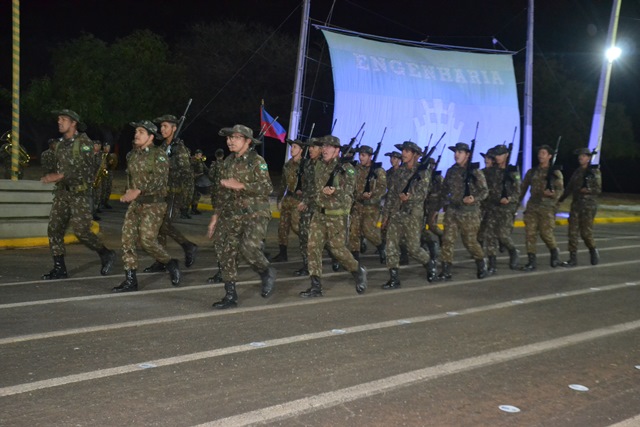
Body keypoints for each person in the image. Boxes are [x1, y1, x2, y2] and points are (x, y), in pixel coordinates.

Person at [40, 109, 116, 279]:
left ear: (73, 123)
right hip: (62, 193)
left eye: (63, 119)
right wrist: (52, 175)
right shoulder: (60, 145)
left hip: (79, 194)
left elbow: (86, 170)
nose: (59, 121)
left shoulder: (84, 143)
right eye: (58, 119)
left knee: (81, 231)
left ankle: (105, 253)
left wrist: (62, 175)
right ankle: (59, 267)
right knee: (54, 228)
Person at [207, 124, 276, 309]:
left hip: (255, 213)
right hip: (232, 213)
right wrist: (216, 216)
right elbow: (223, 193)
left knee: (249, 248)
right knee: (226, 251)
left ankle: (266, 271)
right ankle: (230, 295)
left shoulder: (257, 161)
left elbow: (267, 187)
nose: (230, 141)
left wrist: (242, 185)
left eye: (236, 137)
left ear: (247, 141)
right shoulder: (227, 162)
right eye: (229, 137)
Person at [113, 120, 181, 292]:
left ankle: (170, 262)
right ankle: (130, 280)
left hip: (154, 204)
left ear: (151, 137)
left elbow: (160, 181)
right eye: (136, 131)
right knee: (127, 239)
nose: (136, 134)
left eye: (141, 132)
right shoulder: (132, 155)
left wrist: (139, 190)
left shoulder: (159, 155)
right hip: (136, 204)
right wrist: (129, 191)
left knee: (147, 240)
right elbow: (131, 179)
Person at [300, 135, 367, 298]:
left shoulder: (347, 169)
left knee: (337, 250)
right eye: (323, 146)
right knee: (312, 247)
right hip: (319, 214)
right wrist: (308, 200)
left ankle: (357, 271)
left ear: (337, 150)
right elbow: (315, 189)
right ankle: (316, 286)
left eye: (328, 147)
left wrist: (335, 191)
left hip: (336, 216)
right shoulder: (319, 166)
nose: (324, 149)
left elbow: (349, 195)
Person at [145, 114, 198, 273]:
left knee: (164, 225)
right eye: (161, 126)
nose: (162, 129)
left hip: (174, 193)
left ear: (174, 128)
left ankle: (187, 245)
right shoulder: (162, 147)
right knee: (159, 227)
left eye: (165, 126)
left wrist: (187, 199)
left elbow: (187, 174)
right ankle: (161, 260)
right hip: (161, 193)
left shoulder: (179, 149)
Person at [381, 141, 437, 289]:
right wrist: (386, 215)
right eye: (403, 151)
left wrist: (409, 197)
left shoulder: (423, 172)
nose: (403, 154)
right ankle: (394, 278)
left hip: (413, 214)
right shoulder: (399, 172)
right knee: (391, 245)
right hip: (397, 213)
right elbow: (391, 195)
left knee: (413, 248)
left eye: (407, 151)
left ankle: (429, 264)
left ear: (415, 155)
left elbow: (423, 194)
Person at [437, 142, 489, 280]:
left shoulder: (475, 171)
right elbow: (444, 190)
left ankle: (481, 263)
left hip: (469, 212)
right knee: (447, 240)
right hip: (453, 210)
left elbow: (484, 191)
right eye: (455, 152)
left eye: (460, 152)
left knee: (469, 242)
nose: (456, 155)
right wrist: (438, 207)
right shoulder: (451, 171)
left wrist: (474, 198)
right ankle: (446, 269)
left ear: (467, 155)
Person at [518, 144, 564, 271]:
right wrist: (516, 204)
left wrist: (552, 194)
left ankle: (554, 251)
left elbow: (560, 190)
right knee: (530, 234)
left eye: (543, 153)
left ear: (549, 156)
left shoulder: (555, 173)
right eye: (539, 153)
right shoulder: (532, 172)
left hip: (547, 207)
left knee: (546, 234)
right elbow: (523, 188)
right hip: (532, 206)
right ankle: (531, 261)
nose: (540, 155)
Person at [558, 147, 602, 266]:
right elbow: (569, 187)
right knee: (572, 232)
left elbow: (598, 189)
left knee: (586, 233)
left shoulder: (594, 172)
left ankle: (592, 249)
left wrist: (588, 190)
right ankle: (572, 258)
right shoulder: (577, 172)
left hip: (588, 206)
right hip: (576, 205)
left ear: (588, 158)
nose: (580, 158)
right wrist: (560, 199)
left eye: (583, 156)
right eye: (579, 156)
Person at [482, 144, 521, 273]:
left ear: (506, 155)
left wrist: (510, 199)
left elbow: (517, 191)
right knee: (490, 236)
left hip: (506, 208)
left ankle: (513, 251)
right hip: (492, 206)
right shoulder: (490, 171)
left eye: (500, 154)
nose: (497, 157)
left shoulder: (512, 172)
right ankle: (492, 264)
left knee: (503, 235)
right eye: (496, 155)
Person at [349, 145, 387, 263]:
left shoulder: (378, 170)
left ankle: (381, 247)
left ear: (370, 157)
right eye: (360, 155)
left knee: (368, 231)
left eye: (363, 155)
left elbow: (383, 187)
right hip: (358, 204)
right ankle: (355, 258)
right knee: (354, 231)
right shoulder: (356, 169)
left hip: (371, 207)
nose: (361, 157)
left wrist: (372, 193)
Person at [271, 139, 306, 263]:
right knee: (282, 227)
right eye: (292, 147)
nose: (292, 149)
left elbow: (311, 185)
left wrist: (305, 199)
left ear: (301, 150)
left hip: (299, 200)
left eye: (295, 147)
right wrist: (279, 199)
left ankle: (310, 248)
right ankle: (282, 253)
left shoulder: (306, 165)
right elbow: (283, 184)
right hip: (288, 199)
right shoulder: (287, 165)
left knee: (297, 227)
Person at [294, 137, 323, 276]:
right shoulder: (308, 164)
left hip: (318, 207)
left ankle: (317, 266)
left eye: (313, 147)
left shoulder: (323, 166)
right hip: (307, 206)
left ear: (321, 149)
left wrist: (306, 200)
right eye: (309, 147)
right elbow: (307, 186)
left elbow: (319, 188)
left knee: (317, 239)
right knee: (304, 236)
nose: (310, 149)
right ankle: (307, 265)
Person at [206, 148, 226, 283]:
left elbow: (211, 175)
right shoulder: (226, 164)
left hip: (220, 196)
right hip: (223, 202)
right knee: (220, 242)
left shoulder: (215, 165)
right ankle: (223, 272)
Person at [100, 142, 118, 210]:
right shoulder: (101, 155)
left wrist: (112, 163)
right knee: (103, 188)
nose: (107, 149)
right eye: (106, 147)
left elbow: (114, 165)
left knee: (108, 187)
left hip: (109, 172)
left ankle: (106, 202)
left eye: (108, 147)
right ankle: (101, 203)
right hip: (103, 173)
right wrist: (108, 163)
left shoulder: (111, 155)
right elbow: (102, 165)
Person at [190, 149, 208, 215]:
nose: (201, 156)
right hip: (194, 180)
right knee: (194, 194)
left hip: (199, 180)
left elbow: (205, 168)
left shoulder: (200, 161)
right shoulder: (193, 160)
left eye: (201, 154)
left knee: (198, 195)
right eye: (200, 154)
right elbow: (191, 169)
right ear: (196, 154)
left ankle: (195, 208)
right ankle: (192, 209)